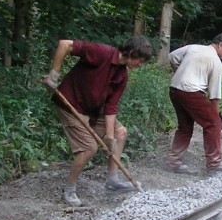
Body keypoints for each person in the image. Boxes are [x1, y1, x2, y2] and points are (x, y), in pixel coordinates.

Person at [43, 35, 154, 206]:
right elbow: (64, 44)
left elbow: (111, 106)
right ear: (131, 53)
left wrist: (109, 136)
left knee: (120, 132)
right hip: (70, 104)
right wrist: (54, 74)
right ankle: (69, 191)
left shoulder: (122, 75)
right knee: (89, 148)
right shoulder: (102, 52)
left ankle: (113, 181)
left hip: (93, 110)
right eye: (140, 60)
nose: (141, 65)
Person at [167, 32, 222, 174]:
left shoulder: (193, 48)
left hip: (174, 90)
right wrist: (217, 117)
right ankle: (214, 164)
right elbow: (214, 95)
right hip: (191, 92)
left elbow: (172, 56)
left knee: (184, 127)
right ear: (220, 44)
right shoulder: (216, 62)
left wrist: (180, 72)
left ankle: (173, 162)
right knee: (213, 124)